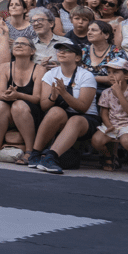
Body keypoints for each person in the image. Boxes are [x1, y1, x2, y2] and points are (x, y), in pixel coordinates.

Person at [28, 38, 100, 174]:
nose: (61, 52)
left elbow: (83, 107)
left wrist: (64, 93)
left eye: (67, 50)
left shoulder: (86, 75)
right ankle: (35, 154)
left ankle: (51, 157)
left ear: (77, 57)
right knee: (55, 111)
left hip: (86, 118)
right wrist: (53, 97)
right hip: (63, 115)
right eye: (60, 50)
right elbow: (44, 106)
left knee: (75, 120)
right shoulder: (50, 74)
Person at [91, 58, 128, 171]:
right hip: (112, 124)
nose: (111, 75)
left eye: (115, 72)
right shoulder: (106, 92)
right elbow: (104, 113)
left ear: (126, 76)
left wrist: (119, 92)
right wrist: (109, 125)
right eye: (109, 72)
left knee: (126, 141)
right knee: (96, 141)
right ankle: (109, 158)